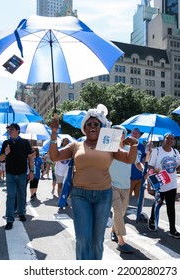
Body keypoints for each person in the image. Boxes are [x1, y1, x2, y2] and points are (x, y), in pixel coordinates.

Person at [49, 107, 139, 260]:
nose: (92, 126)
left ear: (101, 127)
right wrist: (54, 133)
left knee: (97, 241)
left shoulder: (109, 144)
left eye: (96, 124)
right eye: (89, 124)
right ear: (84, 128)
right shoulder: (75, 145)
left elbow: (129, 159)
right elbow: (54, 156)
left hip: (103, 195)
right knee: (83, 239)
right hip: (80, 196)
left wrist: (134, 145)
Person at [109, 125, 143, 254]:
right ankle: (121, 242)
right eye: (115, 133)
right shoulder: (109, 149)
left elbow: (137, 164)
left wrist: (145, 170)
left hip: (126, 186)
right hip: (112, 186)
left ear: (125, 135)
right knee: (117, 211)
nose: (119, 135)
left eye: (121, 133)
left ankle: (113, 230)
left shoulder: (130, 149)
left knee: (121, 212)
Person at [147, 132, 180, 239]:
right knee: (158, 203)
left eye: (172, 139)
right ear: (164, 139)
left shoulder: (175, 152)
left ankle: (172, 230)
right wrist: (150, 184)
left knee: (171, 207)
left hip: (172, 184)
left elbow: (178, 169)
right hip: (159, 183)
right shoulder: (157, 151)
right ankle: (152, 219)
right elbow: (149, 168)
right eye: (167, 138)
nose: (170, 140)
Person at [0, 123, 34, 230]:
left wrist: (32, 171)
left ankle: (21, 212)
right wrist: (6, 152)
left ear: (18, 131)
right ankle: (9, 219)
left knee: (22, 194)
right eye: (9, 129)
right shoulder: (6, 143)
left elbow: (30, 157)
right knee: (10, 196)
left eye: (12, 129)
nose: (10, 131)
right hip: (10, 174)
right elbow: (0, 158)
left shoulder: (25, 142)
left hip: (22, 173)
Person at [129, 128, 146, 199]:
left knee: (139, 199)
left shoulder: (141, 146)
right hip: (128, 177)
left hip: (139, 177)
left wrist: (149, 151)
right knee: (125, 199)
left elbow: (144, 160)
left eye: (136, 133)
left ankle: (138, 210)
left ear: (139, 135)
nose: (135, 135)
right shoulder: (126, 145)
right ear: (131, 134)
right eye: (133, 133)